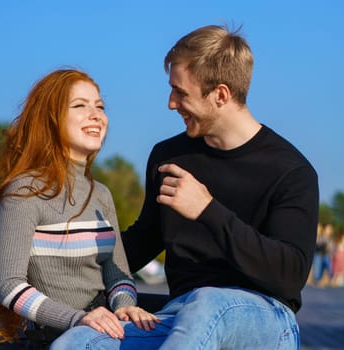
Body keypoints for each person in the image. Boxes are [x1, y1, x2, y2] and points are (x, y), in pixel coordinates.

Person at [51, 24, 319, 349]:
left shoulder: (290, 170)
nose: (170, 103)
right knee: (77, 343)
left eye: (181, 92)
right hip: (179, 318)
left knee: (208, 304)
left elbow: (289, 275)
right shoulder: (169, 156)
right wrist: (67, 268)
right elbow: (145, 239)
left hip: (266, 319)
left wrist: (207, 210)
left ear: (220, 94)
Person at [0, 69, 159, 348]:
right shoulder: (25, 191)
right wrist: (78, 319)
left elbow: (117, 274)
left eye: (100, 106)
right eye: (80, 105)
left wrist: (125, 306)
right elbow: (10, 286)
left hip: (107, 328)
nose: (96, 114)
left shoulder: (101, 194)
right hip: (63, 335)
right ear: (49, 120)